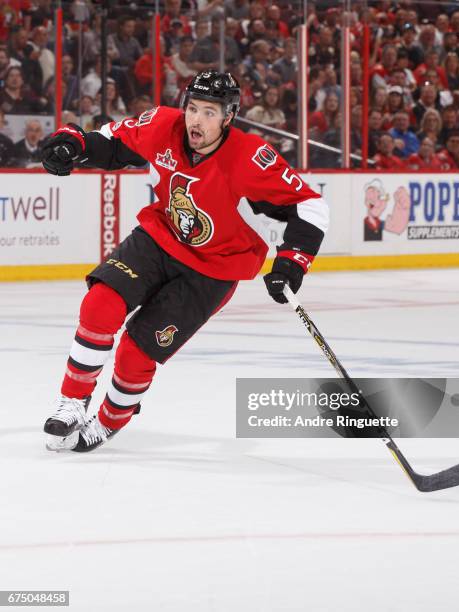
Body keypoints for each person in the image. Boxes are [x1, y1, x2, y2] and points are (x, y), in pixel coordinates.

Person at [40, 70, 328, 453]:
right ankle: (73, 402)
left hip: (214, 269)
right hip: (160, 238)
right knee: (101, 303)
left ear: (228, 117)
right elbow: (111, 142)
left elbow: (310, 204)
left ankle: (109, 421)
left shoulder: (249, 156)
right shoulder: (162, 124)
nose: (196, 120)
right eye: (192, 108)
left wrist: (292, 262)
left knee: (134, 354)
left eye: (209, 112)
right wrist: (72, 145)